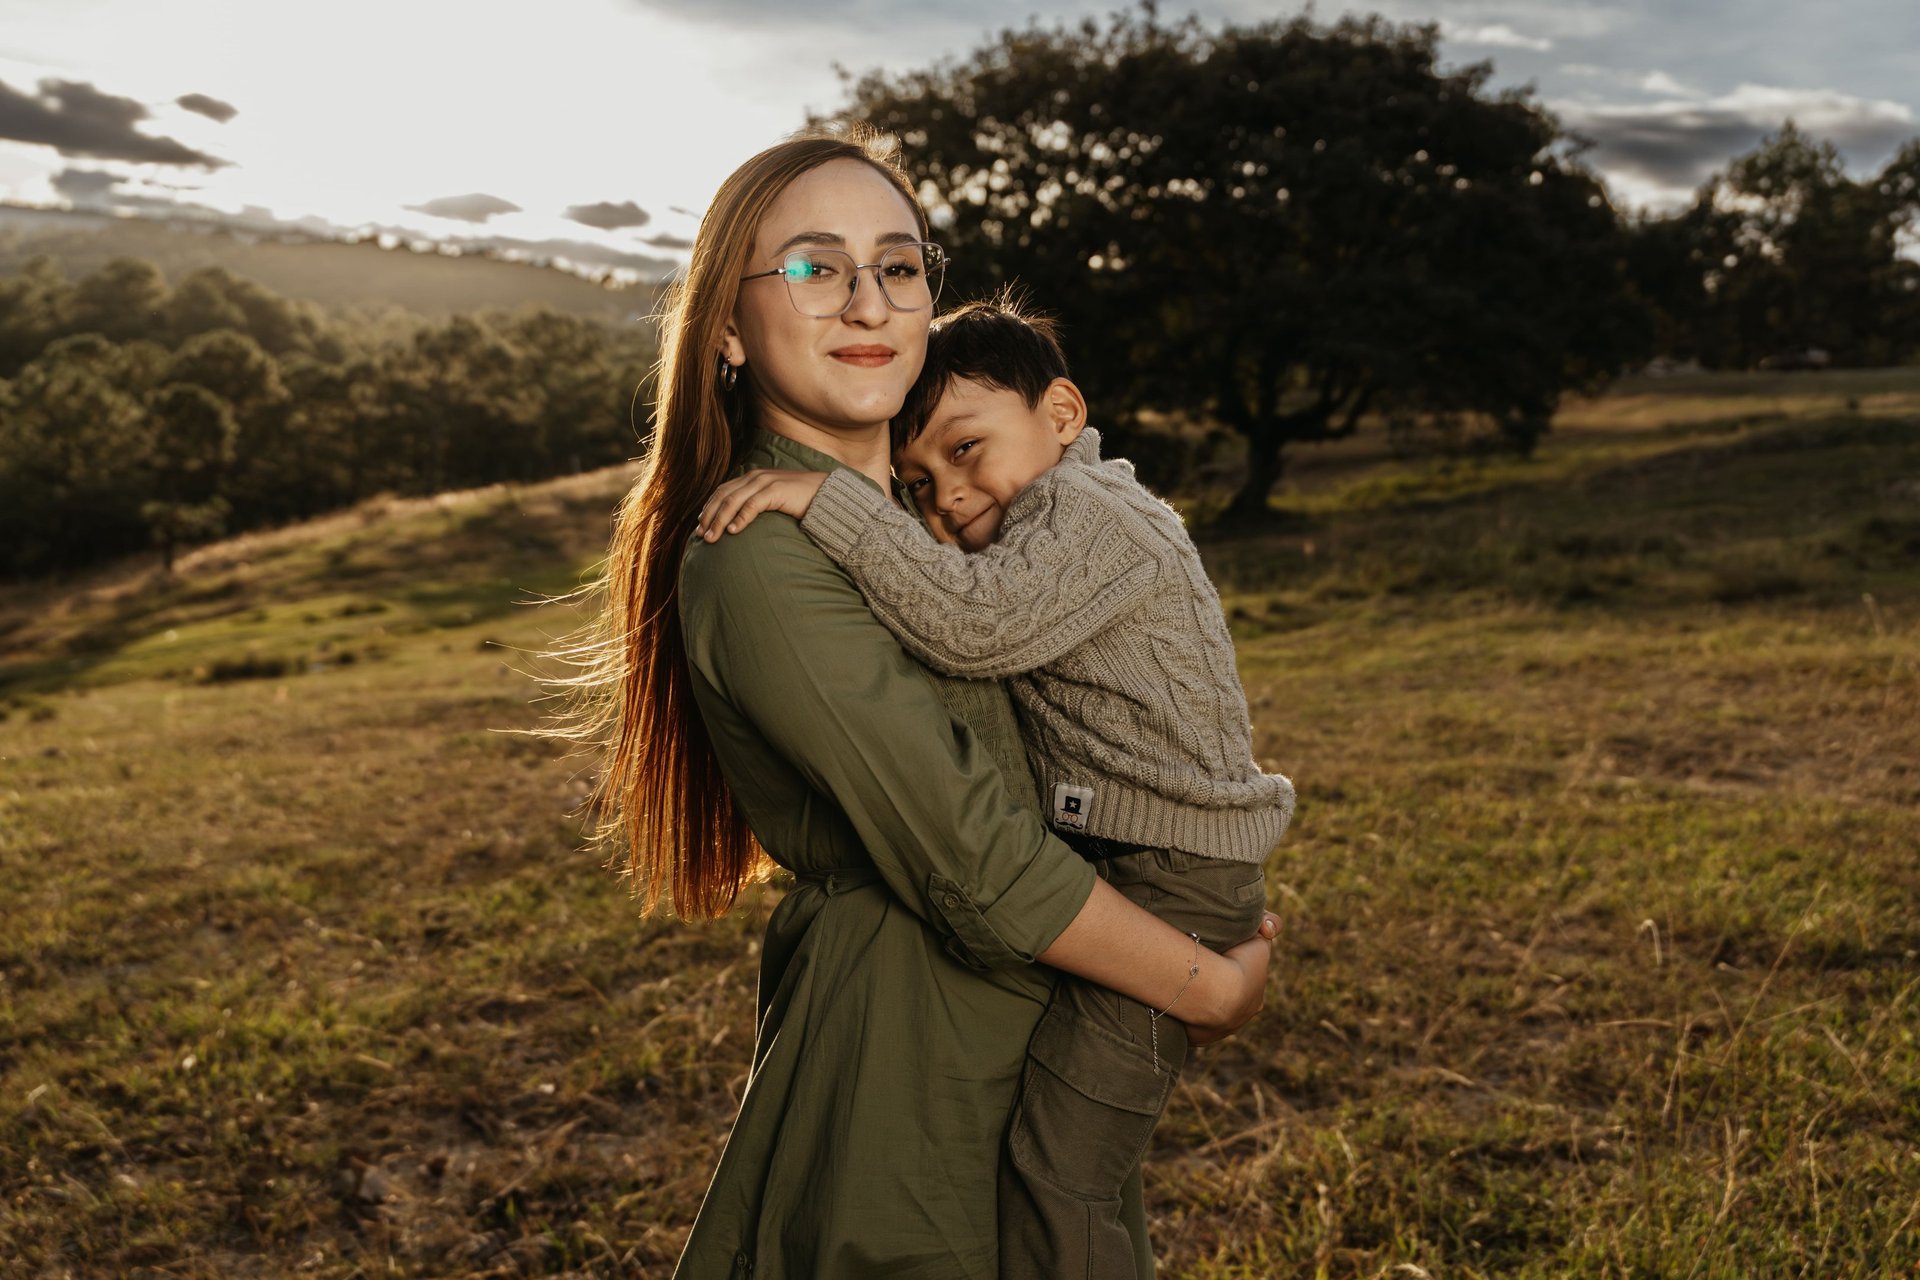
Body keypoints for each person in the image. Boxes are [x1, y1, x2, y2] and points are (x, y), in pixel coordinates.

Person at [538, 124, 1278, 1280]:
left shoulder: (943, 524)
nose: (869, 301)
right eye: (814, 267)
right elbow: (977, 860)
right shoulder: (760, 553)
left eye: (899, 265)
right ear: (728, 327)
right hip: (912, 1061)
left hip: (1024, 1024)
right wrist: (1213, 986)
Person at [697, 293, 1296, 1278]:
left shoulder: (1088, 514)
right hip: (1144, 863)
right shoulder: (1056, 512)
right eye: (920, 482)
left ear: (1062, 413)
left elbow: (971, 625)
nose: (950, 497)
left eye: (967, 451)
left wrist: (829, 499)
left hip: (1172, 875)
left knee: (1063, 1170)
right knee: (1065, 1157)